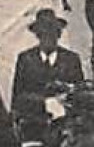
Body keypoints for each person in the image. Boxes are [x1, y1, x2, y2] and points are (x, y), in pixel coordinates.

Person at [10, 9, 86, 137]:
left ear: (58, 35)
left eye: (52, 34)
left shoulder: (71, 59)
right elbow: (18, 96)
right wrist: (45, 103)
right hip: (34, 121)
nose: (48, 39)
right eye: (44, 34)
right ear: (38, 36)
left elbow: (80, 93)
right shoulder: (26, 59)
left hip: (64, 124)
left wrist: (65, 94)